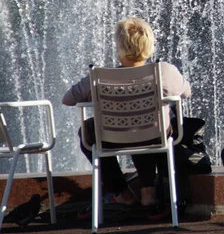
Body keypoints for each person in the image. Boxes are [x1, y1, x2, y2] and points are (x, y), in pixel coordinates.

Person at [62, 17, 191, 207]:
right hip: (155, 136)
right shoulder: (164, 71)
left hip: (112, 137)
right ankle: (148, 192)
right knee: (145, 123)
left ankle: (122, 192)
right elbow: (186, 92)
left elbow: (67, 99)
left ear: (119, 46)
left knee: (87, 133)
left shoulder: (99, 76)